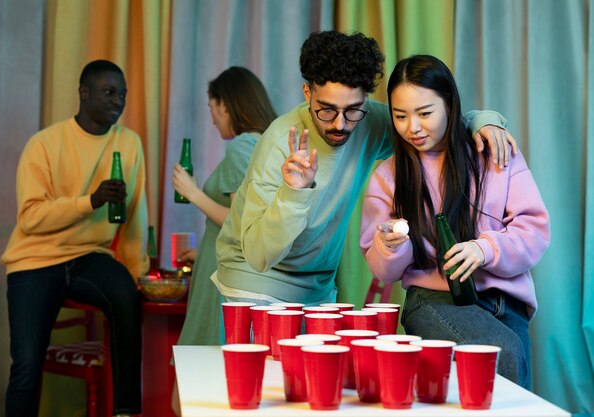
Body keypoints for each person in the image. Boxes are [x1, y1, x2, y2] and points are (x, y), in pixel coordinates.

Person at [213, 30, 517, 308]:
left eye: (353, 109)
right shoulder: (280, 143)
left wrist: (483, 121)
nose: (340, 124)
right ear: (307, 93)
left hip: (317, 287)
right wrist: (294, 192)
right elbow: (258, 255)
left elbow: (430, 125)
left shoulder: (369, 122)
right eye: (327, 109)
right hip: (254, 282)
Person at [360, 54, 550, 388]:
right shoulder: (387, 176)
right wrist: (390, 246)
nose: (412, 127)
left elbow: (534, 231)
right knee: (501, 353)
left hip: (507, 302)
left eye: (425, 113)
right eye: (400, 116)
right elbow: (382, 270)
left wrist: (485, 249)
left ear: (449, 104)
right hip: (434, 300)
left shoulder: (494, 152)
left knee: (517, 388)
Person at [1, 60, 148, 417]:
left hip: (89, 257)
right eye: (109, 92)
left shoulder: (129, 143)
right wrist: (90, 201)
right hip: (34, 258)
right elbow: (31, 218)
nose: (118, 101)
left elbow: (134, 218)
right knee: (26, 364)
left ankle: (126, 411)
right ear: (84, 93)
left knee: (128, 301)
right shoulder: (44, 144)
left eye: (123, 94)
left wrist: (137, 272)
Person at [172, 66, 277, 345]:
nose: (213, 119)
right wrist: (203, 250)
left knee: (199, 364)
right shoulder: (266, 144)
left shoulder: (242, 146)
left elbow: (240, 222)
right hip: (221, 263)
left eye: (212, 108)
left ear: (226, 106)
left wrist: (192, 192)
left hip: (225, 274)